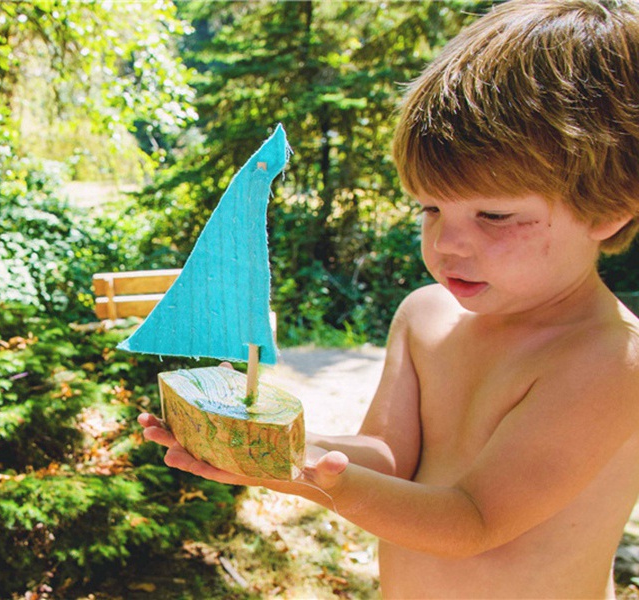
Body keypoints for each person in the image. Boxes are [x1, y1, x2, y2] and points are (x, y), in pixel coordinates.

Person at [139, 0, 639, 596]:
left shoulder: (610, 361)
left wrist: (301, 473)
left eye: (496, 215)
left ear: (608, 210)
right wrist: (277, 450)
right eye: (430, 207)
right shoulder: (426, 317)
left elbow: (473, 520)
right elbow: (386, 457)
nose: (448, 242)